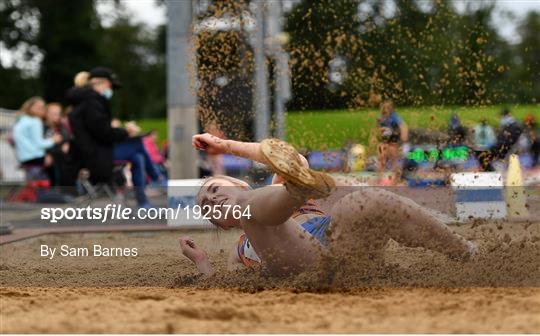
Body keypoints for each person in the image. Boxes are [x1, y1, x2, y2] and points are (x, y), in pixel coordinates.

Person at [179, 133, 476, 277]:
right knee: (253, 214)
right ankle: (298, 189)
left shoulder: (264, 189)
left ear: (240, 182)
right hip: (302, 268)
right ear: (223, 224)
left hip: (342, 247)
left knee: (359, 202)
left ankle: (464, 251)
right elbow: (223, 290)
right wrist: (202, 261)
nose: (212, 199)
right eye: (208, 207)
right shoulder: (239, 249)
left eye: (215, 188)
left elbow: (293, 160)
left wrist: (227, 145)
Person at [67, 67, 161, 207]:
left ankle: (144, 202)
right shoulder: (92, 102)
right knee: (138, 144)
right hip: (95, 155)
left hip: (94, 151)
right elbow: (102, 133)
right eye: (110, 85)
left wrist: (121, 131)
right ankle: (157, 178)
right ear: (102, 83)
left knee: (137, 157)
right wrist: (126, 132)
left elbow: (99, 130)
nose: (110, 89)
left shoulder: (86, 101)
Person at [12, 97, 62, 176]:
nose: (41, 109)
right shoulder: (35, 121)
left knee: (33, 183)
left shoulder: (21, 119)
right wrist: (53, 140)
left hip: (23, 157)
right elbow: (39, 143)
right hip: (35, 156)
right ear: (30, 107)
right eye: (38, 107)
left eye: (42, 107)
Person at [377, 100, 408, 185]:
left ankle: (396, 178)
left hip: (393, 141)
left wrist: (403, 137)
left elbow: (403, 125)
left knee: (393, 158)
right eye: (383, 108)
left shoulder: (394, 117)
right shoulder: (381, 118)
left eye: (387, 108)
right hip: (385, 140)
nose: (385, 110)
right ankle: (379, 178)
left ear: (391, 110)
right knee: (381, 158)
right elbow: (378, 127)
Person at [44, 103, 72, 186]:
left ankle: (67, 189)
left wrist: (67, 144)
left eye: (58, 113)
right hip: (51, 155)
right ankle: (59, 190)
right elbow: (40, 144)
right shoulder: (42, 127)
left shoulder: (62, 126)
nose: (56, 116)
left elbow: (67, 139)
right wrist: (48, 153)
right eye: (53, 113)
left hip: (62, 154)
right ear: (46, 114)